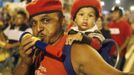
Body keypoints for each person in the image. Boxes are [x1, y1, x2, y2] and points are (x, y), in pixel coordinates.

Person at [14, 0, 134, 75]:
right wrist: (25, 62)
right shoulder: (36, 49)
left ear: (63, 22)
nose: (38, 28)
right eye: (34, 23)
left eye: (46, 20)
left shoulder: (77, 50)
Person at [108, 6, 132, 70]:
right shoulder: (109, 24)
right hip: (109, 53)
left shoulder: (125, 25)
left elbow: (128, 39)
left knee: (115, 71)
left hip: (119, 55)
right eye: (112, 13)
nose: (113, 15)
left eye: (115, 13)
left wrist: (119, 50)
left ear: (120, 14)